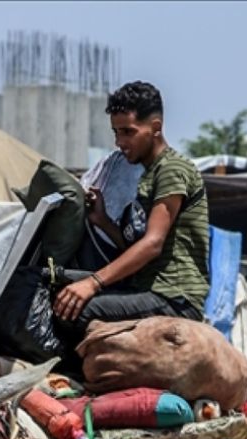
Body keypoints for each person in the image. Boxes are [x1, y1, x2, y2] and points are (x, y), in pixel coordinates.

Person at [54, 81, 210, 335]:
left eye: (128, 132)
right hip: (151, 289)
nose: (119, 142)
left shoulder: (171, 170)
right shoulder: (150, 174)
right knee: (52, 283)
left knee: (75, 309)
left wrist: (93, 283)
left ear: (155, 128)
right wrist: (103, 221)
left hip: (173, 297)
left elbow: (152, 244)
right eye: (116, 133)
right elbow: (138, 248)